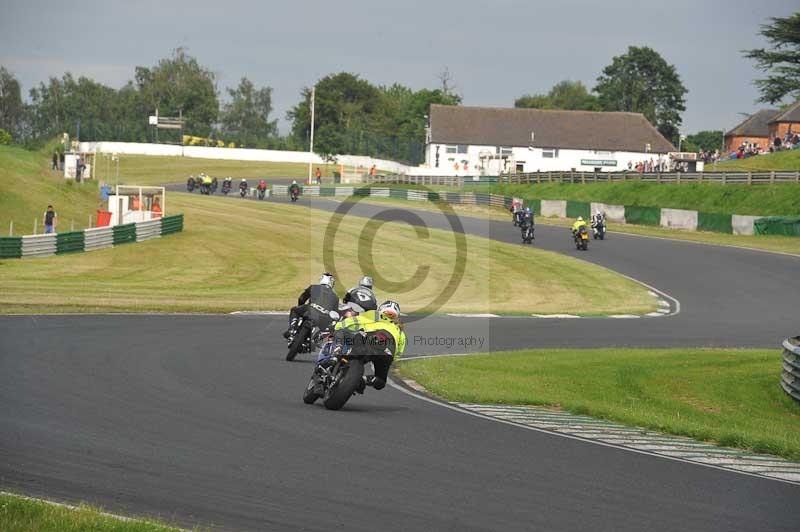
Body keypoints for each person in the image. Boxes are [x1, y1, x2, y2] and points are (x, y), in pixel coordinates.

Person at [323, 300, 406, 393]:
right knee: (381, 382)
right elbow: (398, 353)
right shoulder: (400, 331)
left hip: (368, 340)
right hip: (387, 353)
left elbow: (353, 321)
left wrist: (336, 327)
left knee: (342, 331)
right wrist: (390, 358)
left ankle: (335, 354)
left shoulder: (375, 315)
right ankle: (364, 380)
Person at [284, 273, 340, 339]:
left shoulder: (314, 287)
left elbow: (301, 298)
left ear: (321, 279)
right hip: (324, 318)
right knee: (326, 329)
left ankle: (291, 329)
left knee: (294, 310)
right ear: (332, 283)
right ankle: (317, 339)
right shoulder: (336, 297)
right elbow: (335, 312)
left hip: (311, 309)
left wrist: (300, 307)